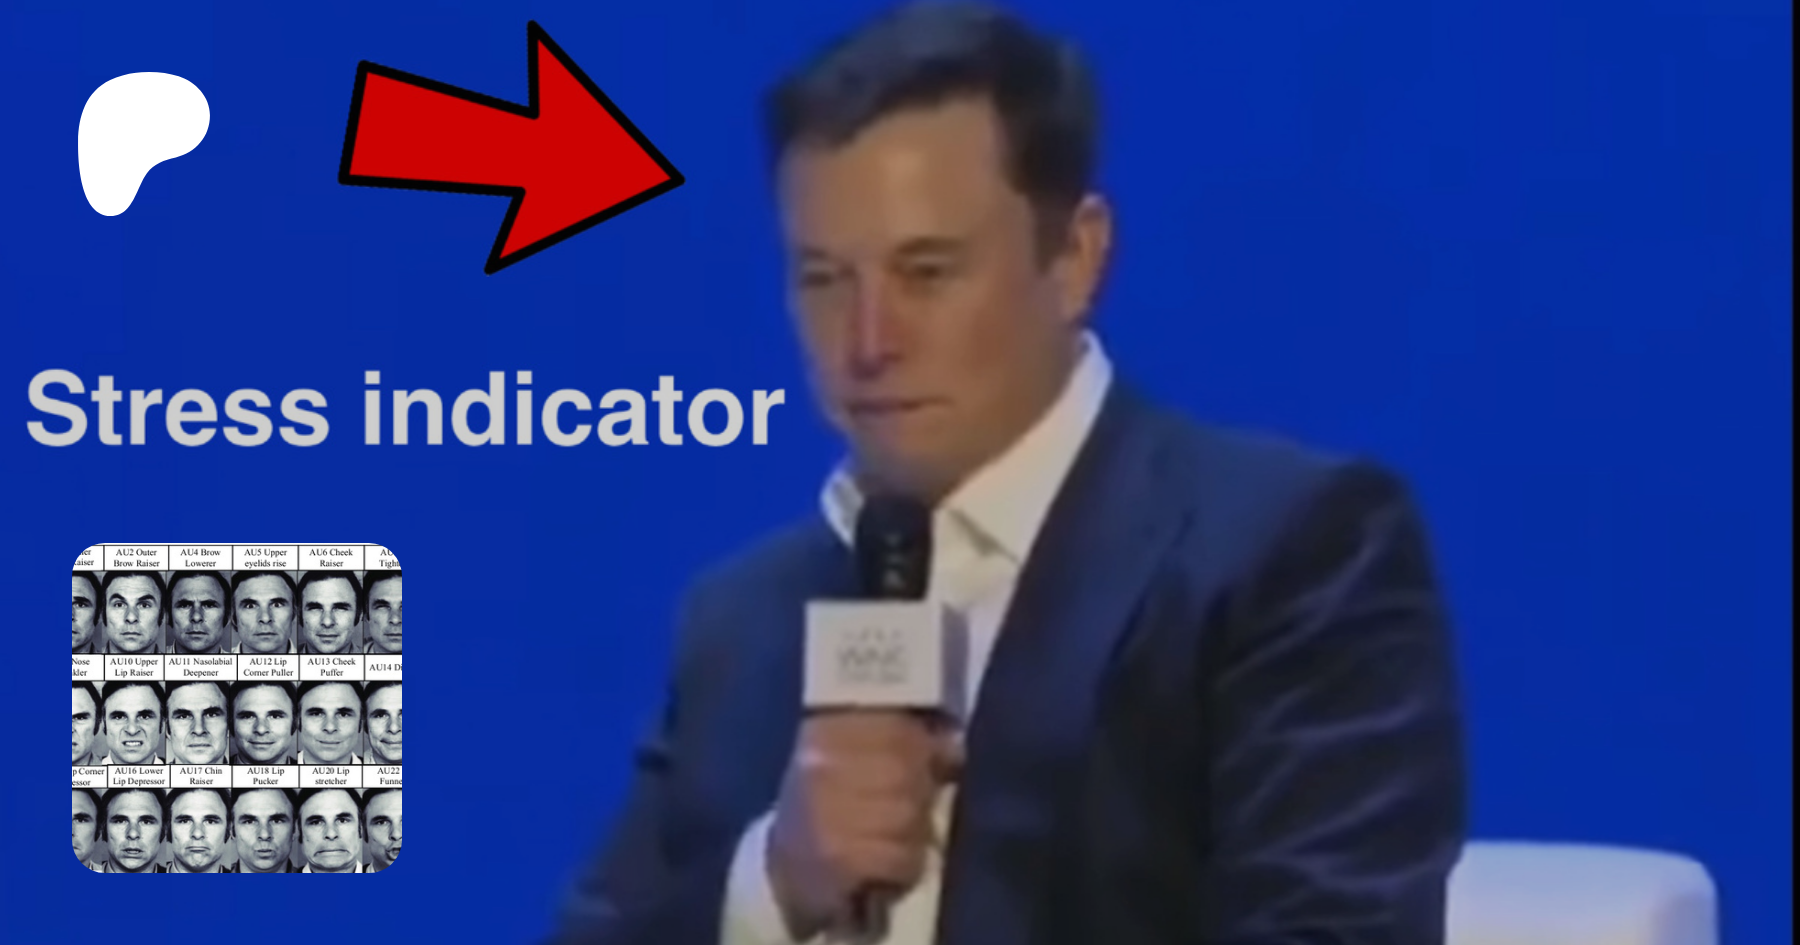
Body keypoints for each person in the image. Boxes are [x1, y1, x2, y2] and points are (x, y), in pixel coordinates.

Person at [548, 4, 1465, 944]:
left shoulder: (1286, 559)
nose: (868, 343)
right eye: (823, 279)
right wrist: (773, 883)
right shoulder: (740, 623)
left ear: (1075, 259)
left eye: (926, 272)